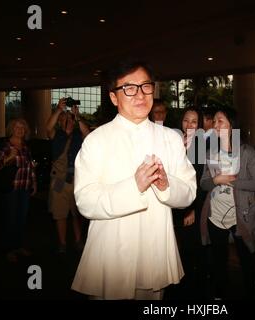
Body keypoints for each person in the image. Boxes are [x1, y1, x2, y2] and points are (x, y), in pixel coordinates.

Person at [71, 60, 196, 300]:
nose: (140, 94)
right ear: (114, 97)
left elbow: (189, 191)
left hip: (155, 247)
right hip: (111, 250)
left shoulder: (170, 138)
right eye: (129, 88)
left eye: (145, 86)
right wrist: (133, 186)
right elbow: (85, 201)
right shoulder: (96, 140)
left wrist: (166, 185)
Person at [200, 107, 255, 299]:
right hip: (215, 215)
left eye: (220, 121)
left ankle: (250, 292)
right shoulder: (211, 152)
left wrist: (231, 180)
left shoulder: (247, 152)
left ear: (231, 126)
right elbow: (203, 183)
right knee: (219, 260)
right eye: (214, 122)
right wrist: (215, 181)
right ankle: (219, 295)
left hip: (240, 215)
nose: (215, 125)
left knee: (246, 259)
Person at [46, 99, 90, 253]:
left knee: (77, 213)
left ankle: (79, 241)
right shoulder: (56, 134)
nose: (67, 121)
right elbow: (48, 127)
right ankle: (62, 243)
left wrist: (78, 117)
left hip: (77, 181)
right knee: (60, 214)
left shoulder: (79, 135)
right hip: (59, 181)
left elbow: (88, 134)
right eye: (64, 119)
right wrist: (58, 109)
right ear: (60, 121)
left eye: (69, 118)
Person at [171, 106, 206, 298]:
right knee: (178, 246)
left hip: (192, 204)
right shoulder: (175, 141)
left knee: (190, 247)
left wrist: (190, 209)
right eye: (186, 120)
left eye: (194, 121)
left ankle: (192, 290)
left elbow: (198, 181)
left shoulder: (200, 145)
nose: (189, 124)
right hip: (175, 202)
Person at [0, 118, 37, 262]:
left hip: (24, 188)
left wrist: (34, 183)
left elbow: (30, 167)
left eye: (23, 127)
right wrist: (8, 158)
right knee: (10, 219)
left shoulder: (25, 147)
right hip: (10, 188)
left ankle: (18, 246)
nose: (20, 129)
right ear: (11, 128)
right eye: (17, 127)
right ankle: (8, 249)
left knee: (21, 219)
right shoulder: (5, 145)